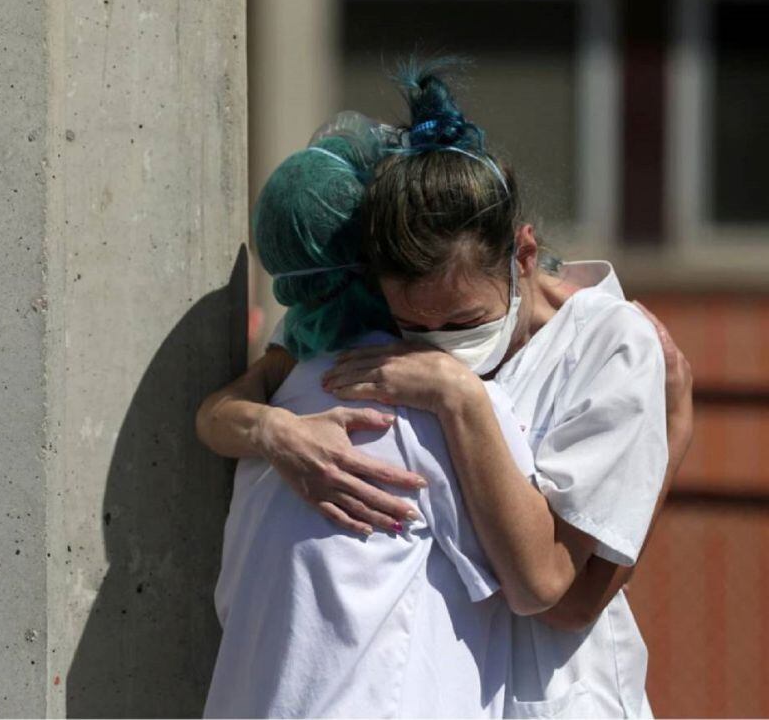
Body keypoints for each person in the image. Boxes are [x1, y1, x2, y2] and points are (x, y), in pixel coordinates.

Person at [197, 61, 694, 717]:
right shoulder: (361, 321)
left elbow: (559, 592)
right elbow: (222, 411)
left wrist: (458, 397)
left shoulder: (610, 348)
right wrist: (277, 432)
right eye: (415, 325)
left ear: (521, 255)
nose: (436, 343)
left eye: (463, 323)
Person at [202, 128, 541, 718]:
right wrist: (461, 394)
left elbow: (214, 415)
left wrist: (268, 428)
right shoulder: (434, 413)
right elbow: (543, 582)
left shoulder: (284, 397)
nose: (446, 339)